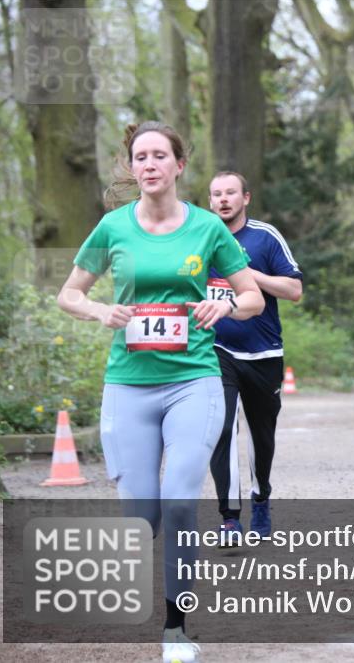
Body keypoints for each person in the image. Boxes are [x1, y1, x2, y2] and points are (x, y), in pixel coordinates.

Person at [57, 122, 263, 663]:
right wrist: (101, 308)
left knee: (177, 502)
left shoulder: (206, 229)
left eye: (159, 156)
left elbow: (253, 299)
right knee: (142, 517)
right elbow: (69, 294)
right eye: (139, 157)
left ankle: (175, 629)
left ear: (178, 166)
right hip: (128, 383)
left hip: (193, 379)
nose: (149, 164)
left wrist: (226, 304)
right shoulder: (113, 228)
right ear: (132, 168)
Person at [206, 171, 302, 542]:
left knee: (261, 437)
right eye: (216, 194)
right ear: (210, 200)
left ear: (245, 198)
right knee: (222, 428)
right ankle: (229, 518)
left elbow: (294, 290)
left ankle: (261, 495)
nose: (223, 199)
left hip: (264, 354)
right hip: (216, 350)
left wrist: (247, 274)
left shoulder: (265, 236)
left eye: (230, 193)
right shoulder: (201, 237)